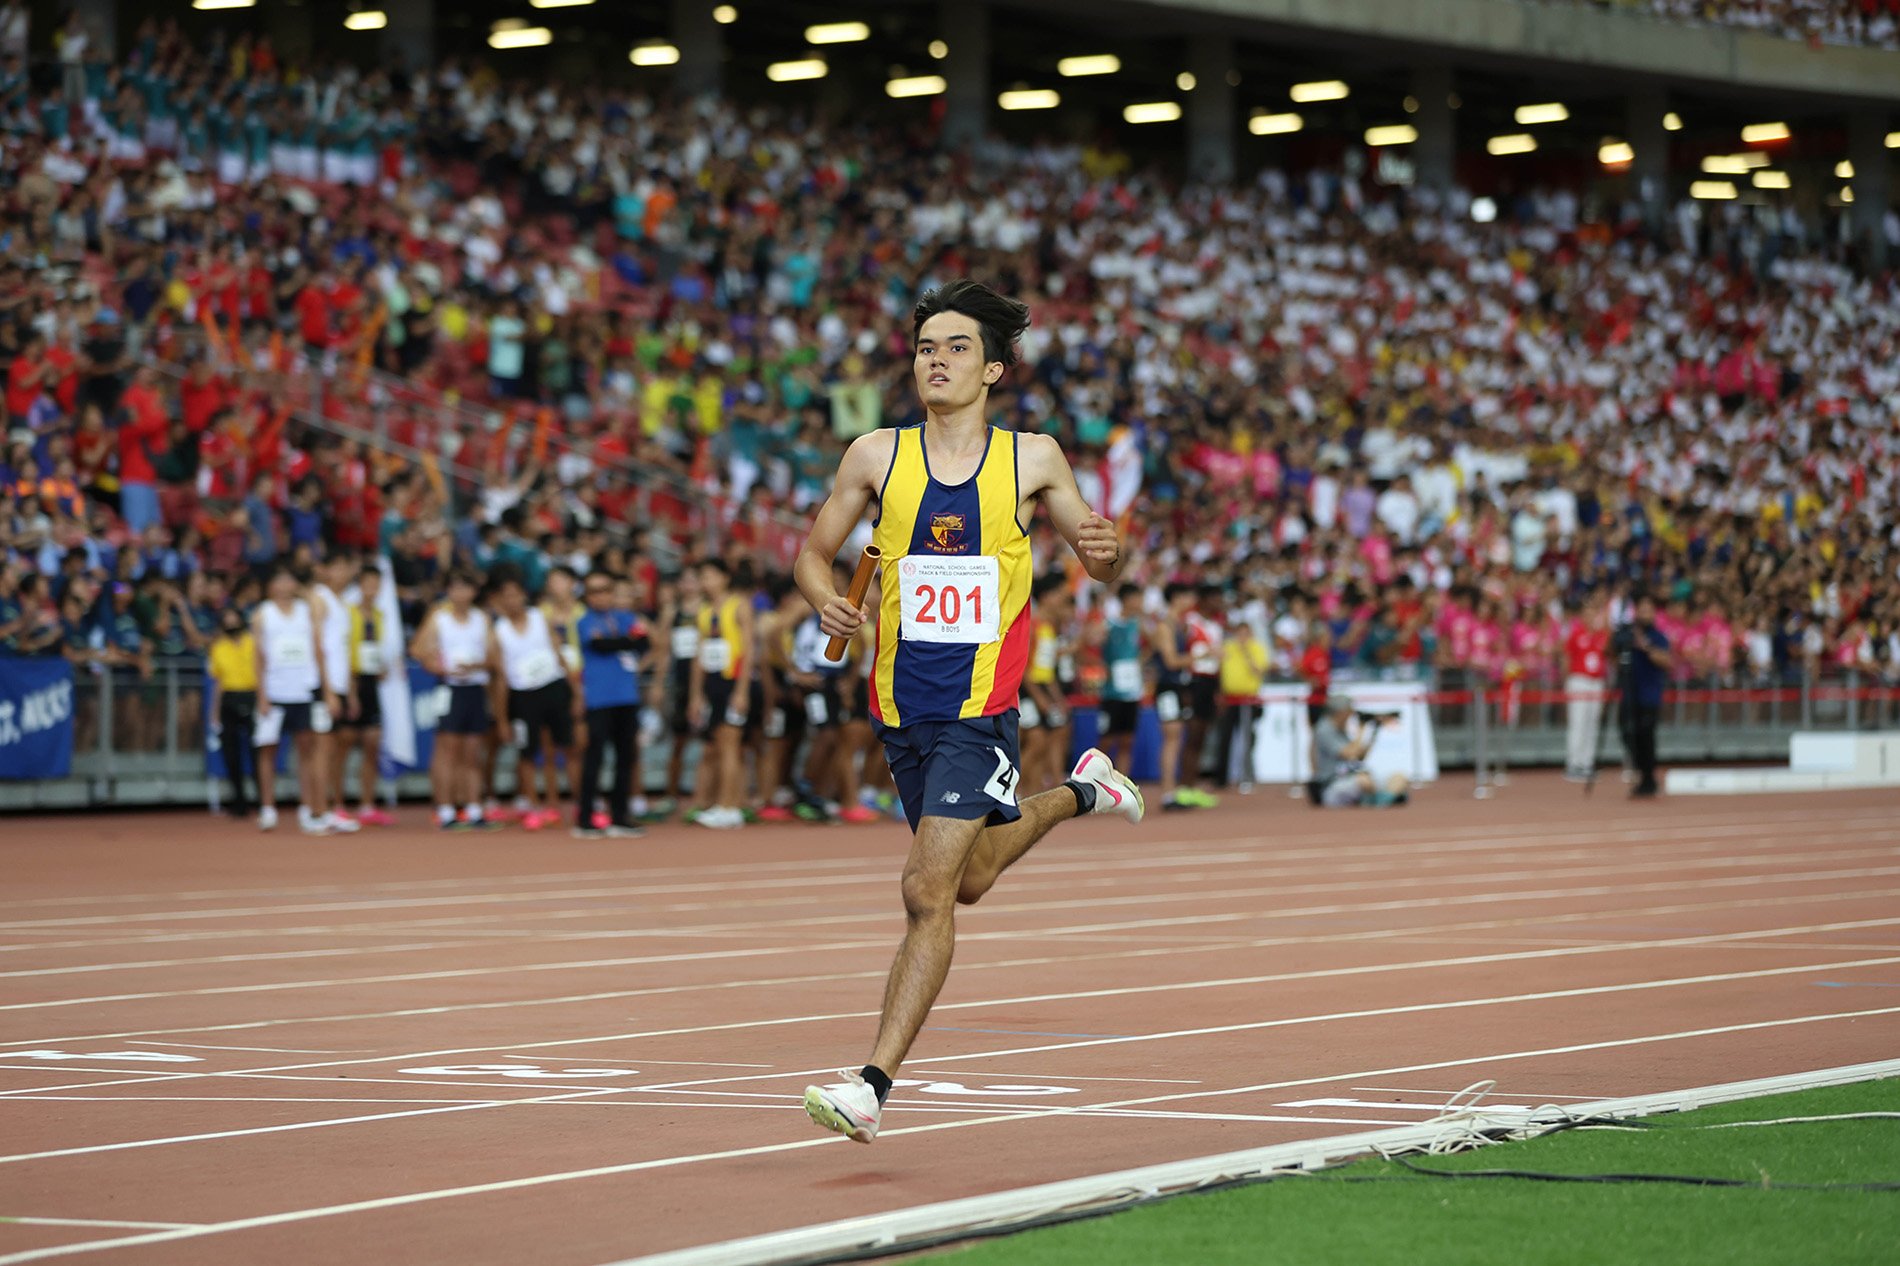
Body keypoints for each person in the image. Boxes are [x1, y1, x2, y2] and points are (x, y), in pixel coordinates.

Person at [793, 279, 1144, 1144]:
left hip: (980, 706)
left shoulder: (1033, 458)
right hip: (897, 703)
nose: (936, 360)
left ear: (991, 369)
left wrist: (1111, 551)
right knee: (972, 878)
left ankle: (871, 1085)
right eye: (925, 347)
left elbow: (1098, 557)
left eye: (955, 348)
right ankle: (1084, 792)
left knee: (924, 889)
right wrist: (827, 601)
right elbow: (811, 553)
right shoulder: (875, 455)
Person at [410, 569, 497, 830]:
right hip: (449, 689)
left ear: (474, 592)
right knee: (447, 749)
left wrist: (476, 665)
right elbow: (416, 648)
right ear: (448, 591)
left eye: (466, 588)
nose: (461, 594)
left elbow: (493, 657)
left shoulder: (481, 619)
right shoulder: (439, 618)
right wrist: (437, 667)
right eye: (455, 588)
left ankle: (472, 807)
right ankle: (445, 808)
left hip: (474, 687)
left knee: (472, 750)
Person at [251, 565, 334, 834]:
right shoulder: (263, 614)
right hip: (275, 693)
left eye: (289, 580)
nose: (285, 585)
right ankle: (267, 808)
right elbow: (258, 658)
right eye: (280, 580)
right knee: (268, 750)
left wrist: (326, 689)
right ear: (271, 585)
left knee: (307, 750)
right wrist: (262, 696)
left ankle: (307, 808)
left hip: (303, 691)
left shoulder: (306, 611)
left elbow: (319, 649)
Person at [491, 569, 576, 831]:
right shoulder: (499, 631)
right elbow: (501, 678)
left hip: (552, 686)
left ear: (523, 596)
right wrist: (503, 718)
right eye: (507, 596)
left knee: (561, 748)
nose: (512, 600)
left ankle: (561, 802)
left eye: (516, 595)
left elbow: (558, 651)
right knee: (527, 753)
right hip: (523, 696)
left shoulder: (540, 618)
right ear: (501, 600)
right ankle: (535, 804)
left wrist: (575, 689)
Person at [573, 569, 648, 839]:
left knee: (626, 758)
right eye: (595, 591)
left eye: (605, 590)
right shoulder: (584, 621)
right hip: (599, 699)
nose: (601, 596)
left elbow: (644, 642)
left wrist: (624, 642)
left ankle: (620, 816)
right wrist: (627, 641)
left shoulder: (625, 617)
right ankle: (584, 819)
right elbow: (600, 645)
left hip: (626, 696)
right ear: (587, 596)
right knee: (594, 758)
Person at [687, 557, 754, 830]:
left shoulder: (738, 605)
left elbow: (748, 650)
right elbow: (699, 655)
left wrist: (741, 691)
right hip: (713, 682)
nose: (705, 582)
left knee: (730, 743)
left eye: (711, 576)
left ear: (725, 577)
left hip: (733, 679)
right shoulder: (703, 610)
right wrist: (696, 694)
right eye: (702, 577)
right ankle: (727, 803)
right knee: (719, 743)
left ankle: (729, 807)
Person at [310, 552, 362, 833]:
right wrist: (328, 690)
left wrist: (349, 691)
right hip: (324, 685)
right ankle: (318, 811)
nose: (343, 572)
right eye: (337, 566)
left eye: (346, 566)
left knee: (334, 748)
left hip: (339, 685)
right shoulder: (319, 598)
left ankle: (330, 806)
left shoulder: (343, 603)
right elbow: (317, 646)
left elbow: (343, 649)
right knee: (322, 748)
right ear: (324, 570)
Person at [341, 565, 395, 825]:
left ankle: (366, 804)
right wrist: (350, 692)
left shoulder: (379, 615)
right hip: (351, 682)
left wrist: (381, 668)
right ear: (359, 585)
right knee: (344, 744)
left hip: (371, 682)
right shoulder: (347, 613)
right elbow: (345, 652)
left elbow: (374, 649)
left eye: (377, 584)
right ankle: (337, 804)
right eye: (368, 583)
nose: (372, 589)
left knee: (372, 743)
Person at [1615, 592, 1672, 798]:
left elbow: (1666, 661)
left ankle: (1648, 777)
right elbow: (1611, 653)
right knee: (1626, 731)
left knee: (1647, 737)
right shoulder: (1628, 633)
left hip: (1649, 695)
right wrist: (1619, 639)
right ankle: (1643, 770)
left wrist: (1645, 646)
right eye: (1642, 609)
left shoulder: (1658, 637)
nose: (1645, 613)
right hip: (1629, 694)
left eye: (1649, 609)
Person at [1312, 693, 1409, 808]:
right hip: (1332, 784)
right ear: (1341, 712)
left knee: (1399, 778)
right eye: (1349, 710)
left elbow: (1360, 756)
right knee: (1364, 781)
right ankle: (1379, 801)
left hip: (1353, 778)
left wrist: (1375, 731)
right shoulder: (1324, 729)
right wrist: (1361, 729)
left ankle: (1381, 800)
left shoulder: (1341, 729)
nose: (1352, 714)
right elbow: (1349, 754)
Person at [206, 607, 258, 819]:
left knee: (258, 752)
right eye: (226, 621)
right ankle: (239, 802)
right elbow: (217, 682)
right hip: (229, 699)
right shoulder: (218, 647)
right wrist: (214, 712)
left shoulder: (253, 643)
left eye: (233, 619)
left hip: (252, 696)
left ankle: (264, 801)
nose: (231, 624)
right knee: (231, 754)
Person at [1149, 582, 1196, 809]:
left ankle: (1171, 790)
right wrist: (1199, 655)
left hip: (1176, 687)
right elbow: (1171, 661)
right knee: (1172, 737)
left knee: (1176, 738)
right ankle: (1167, 793)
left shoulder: (1179, 624)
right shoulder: (1165, 626)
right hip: (1168, 687)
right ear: (1177, 597)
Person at [1096, 582, 1145, 771]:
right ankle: (1096, 784)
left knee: (1127, 740)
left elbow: (1154, 644)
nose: (1141, 602)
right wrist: (1101, 665)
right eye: (1138, 598)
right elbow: (1088, 644)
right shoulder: (1110, 624)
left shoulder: (1138, 624)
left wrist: (1141, 660)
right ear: (1127, 599)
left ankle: (1122, 785)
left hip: (1132, 691)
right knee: (1106, 740)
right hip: (1111, 692)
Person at [1563, 597, 1611, 782]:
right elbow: (1567, 656)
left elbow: (1608, 652)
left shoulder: (1601, 636)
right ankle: (1574, 763)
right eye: (1588, 614)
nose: (1591, 617)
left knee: (1592, 722)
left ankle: (1587, 762)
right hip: (1579, 679)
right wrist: (1567, 679)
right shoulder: (1576, 633)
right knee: (1578, 722)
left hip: (1596, 681)